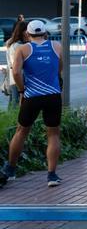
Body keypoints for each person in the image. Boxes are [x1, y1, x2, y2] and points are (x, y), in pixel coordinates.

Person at [2, 21, 63, 188]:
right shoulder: (56, 46)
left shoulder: (23, 49)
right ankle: (52, 174)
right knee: (53, 134)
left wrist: (22, 90)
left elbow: (15, 72)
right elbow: (60, 68)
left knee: (21, 131)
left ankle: (11, 169)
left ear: (27, 34)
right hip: (53, 95)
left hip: (32, 96)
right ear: (45, 33)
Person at [3, 21, 28, 109]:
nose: (29, 33)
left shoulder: (12, 43)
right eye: (27, 30)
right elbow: (16, 65)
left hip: (13, 77)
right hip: (18, 77)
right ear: (22, 32)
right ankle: (15, 120)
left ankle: (10, 119)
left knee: (13, 100)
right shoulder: (18, 46)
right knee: (17, 102)